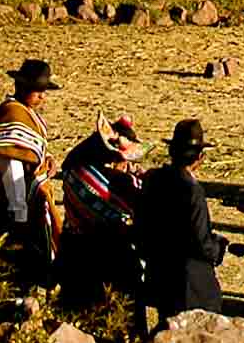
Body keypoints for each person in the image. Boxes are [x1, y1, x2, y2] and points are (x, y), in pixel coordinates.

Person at [0, 59, 60, 288]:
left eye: (44, 91)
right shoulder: (13, 114)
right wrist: (19, 211)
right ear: (21, 87)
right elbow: (12, 164)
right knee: (18, 262)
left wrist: (47, 160)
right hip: (18, 205)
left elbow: (33, 153)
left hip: (31, 200)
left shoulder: (26, 112)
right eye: (37, 91)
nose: (42, 96)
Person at [57, 115, 147, 327]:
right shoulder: (89, 177)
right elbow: (124, 216)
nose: (127, 164)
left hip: (89, 259)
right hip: (97, 263)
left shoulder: (86, 172)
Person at [138, 119, 227, 324]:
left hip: (161, 275)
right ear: (200, 157)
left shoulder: (153, 179)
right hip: (191, 284)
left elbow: (141, 227)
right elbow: (201, 242)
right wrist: (219, 246)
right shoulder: (192, 190)